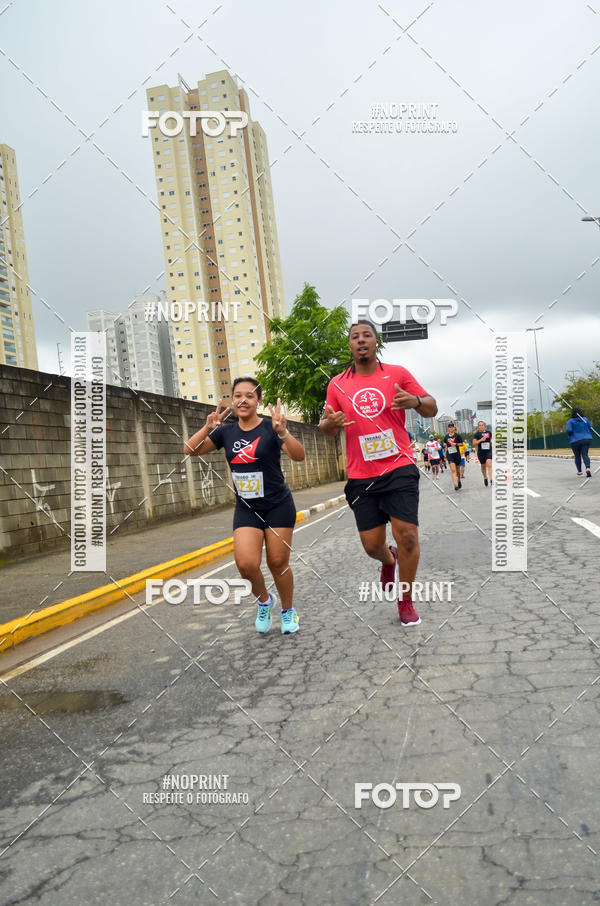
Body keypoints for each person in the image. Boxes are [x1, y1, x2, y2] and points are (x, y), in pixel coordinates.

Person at [320, 320, 437, 626]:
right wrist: (331, 424)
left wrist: (416, 402)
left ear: (376, 343)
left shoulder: (397, 374)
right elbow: (326, 426)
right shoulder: (337, 384)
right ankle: (389, 559)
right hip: (362, 476)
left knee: (409, 536)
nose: (361, 341)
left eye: (367, 336)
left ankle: (406, 600)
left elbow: (432, 407)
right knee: (372, 545)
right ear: (350, 345)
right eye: (355, 337)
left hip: (398, 466)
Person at [184, 377, 306, 635]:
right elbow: (190, 450)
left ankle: (287, 611)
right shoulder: (226, 432)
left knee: (277, 562)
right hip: (247, 508)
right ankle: (265, 602)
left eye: (249, 396)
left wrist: (283, 431)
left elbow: (298, 455)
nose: (243, 400)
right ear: (232, 400)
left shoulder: (270, 428)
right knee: (246, 564)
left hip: (278, 506)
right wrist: (207, 428)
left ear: (258, 400)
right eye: (237, 395)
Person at [565, 407, 593, 478]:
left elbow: (569, 431)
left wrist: (570, 435)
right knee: (585, 454)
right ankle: (588, 468)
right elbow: (590, 428)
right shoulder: (585, 419)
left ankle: (580, 472)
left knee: (577, 456)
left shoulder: (570, 421)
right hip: (586, 439)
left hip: (575, 440)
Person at [443, 422, 464, 490]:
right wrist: (445, 449)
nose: (451, 428)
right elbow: (445, 444)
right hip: (450, 455)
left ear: (454, 428)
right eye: (449, 427)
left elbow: (461, 444)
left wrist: (455, 444)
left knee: (458, 470)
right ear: (448, 428)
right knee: (453, 469)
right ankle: (455, 485)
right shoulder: (446, 436)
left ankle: (459, 480)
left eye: (452, 427)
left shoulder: (457, 436)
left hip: (457, 455)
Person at [472, 420, 493, 486]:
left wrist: (493, 442)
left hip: (488, 451)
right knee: (483, 466)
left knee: (489, 463)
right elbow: (474, 443)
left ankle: (491, 479)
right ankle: (485, 477)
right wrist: (481, 440)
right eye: (479, 425)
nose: (481, 426)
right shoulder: (477, 434)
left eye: (482, 425)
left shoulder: (489, 432)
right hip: (481, 452)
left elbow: (491, 440)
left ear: (484, 426)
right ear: (478, 427)